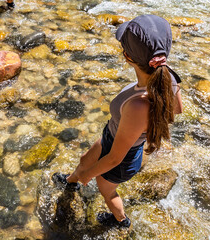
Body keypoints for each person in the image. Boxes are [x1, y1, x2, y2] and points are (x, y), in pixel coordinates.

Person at [52, 14, 183, 228]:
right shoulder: (168, 77)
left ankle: (121, 220)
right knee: (86, 159)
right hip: (113, 136)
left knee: (107, 191)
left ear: (128, 57)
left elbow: (113, 159)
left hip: (122, 156)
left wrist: (88, 175)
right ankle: (71, 182)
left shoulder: (138, 106)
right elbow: (177, 109)